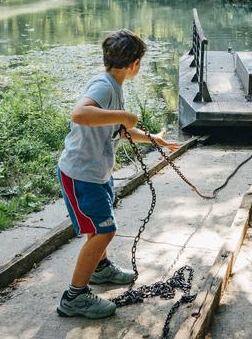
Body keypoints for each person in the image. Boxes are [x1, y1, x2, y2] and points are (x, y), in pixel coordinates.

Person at [56, 29, 180, 319]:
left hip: (97, 173)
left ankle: (100, 269)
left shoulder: (113, 84)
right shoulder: (103, 86)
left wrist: (153, 138)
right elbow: (79, 114)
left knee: (100, 229)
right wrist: (124, 116)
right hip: (81, 174)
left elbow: (119, 129)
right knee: (104, 231)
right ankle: (74, 297)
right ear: (135, 64)